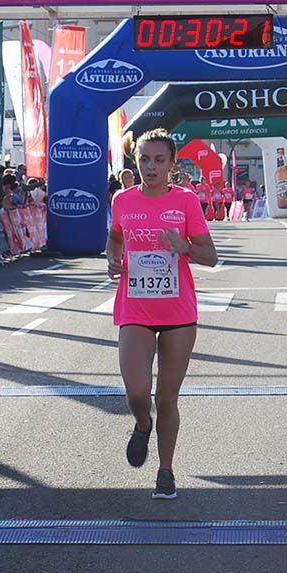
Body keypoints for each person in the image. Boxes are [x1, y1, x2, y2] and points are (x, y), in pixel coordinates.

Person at [105, 129, 218, 500]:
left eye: (158, 160)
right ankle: (142, 424)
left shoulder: (185, 201)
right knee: (138, 391)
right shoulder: (122, 200)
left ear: (172, 164)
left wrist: (183, 246)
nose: (150, 167)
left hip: (178, 311)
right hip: (135, 307)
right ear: (134, 162)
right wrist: (112, 259)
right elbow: (116, 236)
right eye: (143, 160)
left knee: (167, 398)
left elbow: (210, 256)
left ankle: (165, 471)